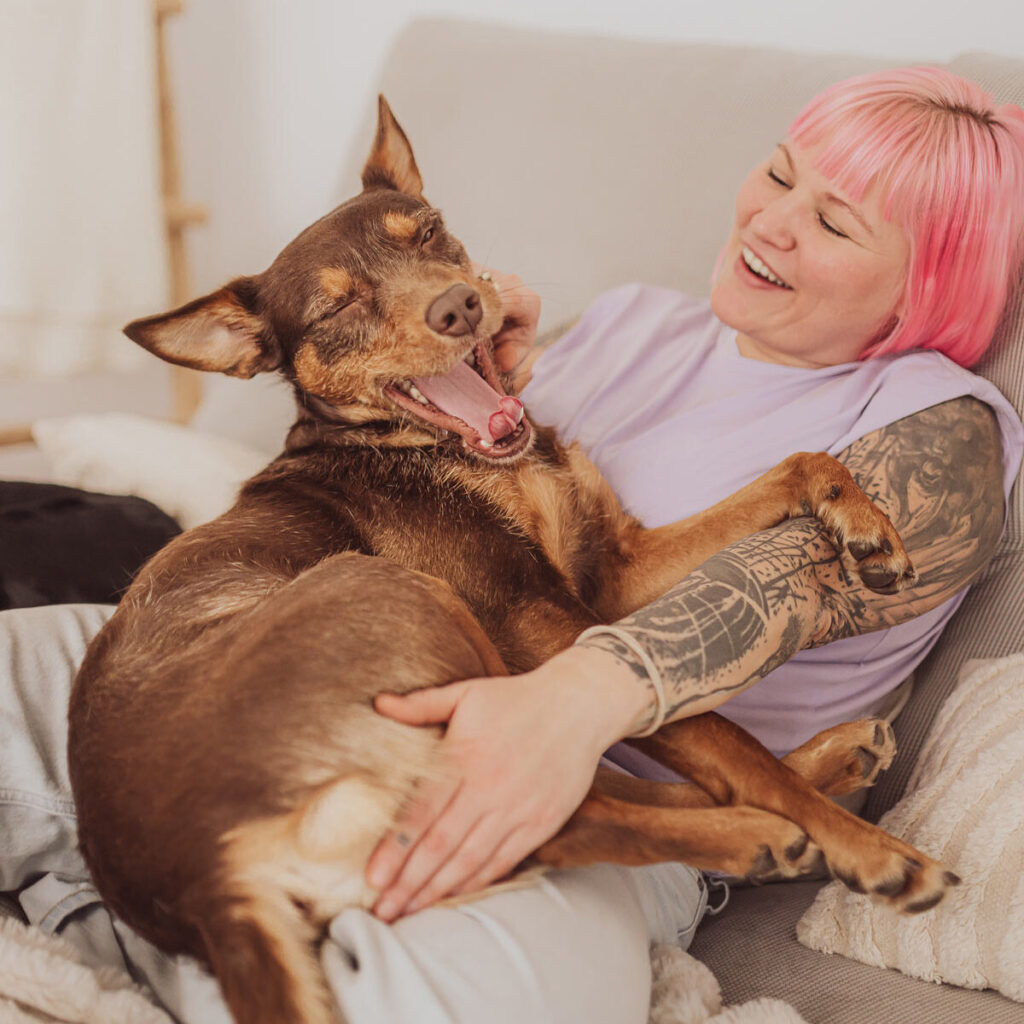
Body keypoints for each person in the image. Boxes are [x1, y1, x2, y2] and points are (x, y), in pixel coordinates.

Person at [1, 67, 1023, 1024]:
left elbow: (761, 591)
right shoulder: (631, 320)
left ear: (925, 279)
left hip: (559, 782)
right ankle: (144, 893)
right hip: (247, 675)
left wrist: (568, 709)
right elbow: (425, 479)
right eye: (779, 172)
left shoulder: (938, 428)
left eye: (833, 221)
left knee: (475, 999)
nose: (772, 220)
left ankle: (123, 914)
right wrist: (495, 359)